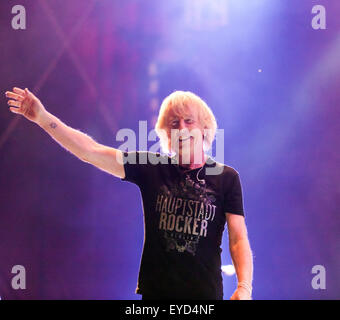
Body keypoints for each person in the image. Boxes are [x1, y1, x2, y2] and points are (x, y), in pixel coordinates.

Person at [5, 87, 253, 300]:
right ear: (167, 134)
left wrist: (244, 287)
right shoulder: (152, 168)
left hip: (205, 297)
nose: (182, 128)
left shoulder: (226, 178)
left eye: (189, 121)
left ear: (205, 128)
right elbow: (90, 151)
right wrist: (42, 117)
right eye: (174, 123)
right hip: (156, 295)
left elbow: (238, 239)